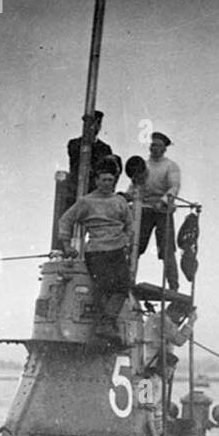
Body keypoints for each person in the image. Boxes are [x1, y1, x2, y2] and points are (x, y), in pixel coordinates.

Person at [58, 169, 132, 342]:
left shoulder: (119, 201)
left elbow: (130, 224)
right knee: (104, 287)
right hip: (97, 251)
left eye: (111, 180)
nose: (108, 183)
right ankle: (104, 326)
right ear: (97, 180)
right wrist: (66, 245)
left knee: (123, 287)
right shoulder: (86, 202)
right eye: (104, 179)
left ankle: (106, 323)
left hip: (117, 250)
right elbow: (65, 220)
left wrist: (126, 240)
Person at [134, 131, 181, 290]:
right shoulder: (143, 166)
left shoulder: (170, 166)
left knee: (167, 248)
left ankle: (173, 285)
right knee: (135, 245)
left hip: (162, 210)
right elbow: (135, 185)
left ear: (164, 149)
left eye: (158, 146)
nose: (154, 148)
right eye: (153, 145)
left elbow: (174, 186)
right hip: (145, 208)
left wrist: (163, 201)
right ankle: (128, 279)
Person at [62, 111, 122, 210]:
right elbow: (78, 161)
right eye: (91, 124)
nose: (94, 127)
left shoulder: (105, 148)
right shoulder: (74, 144)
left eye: (98, 124)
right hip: (75, 191)